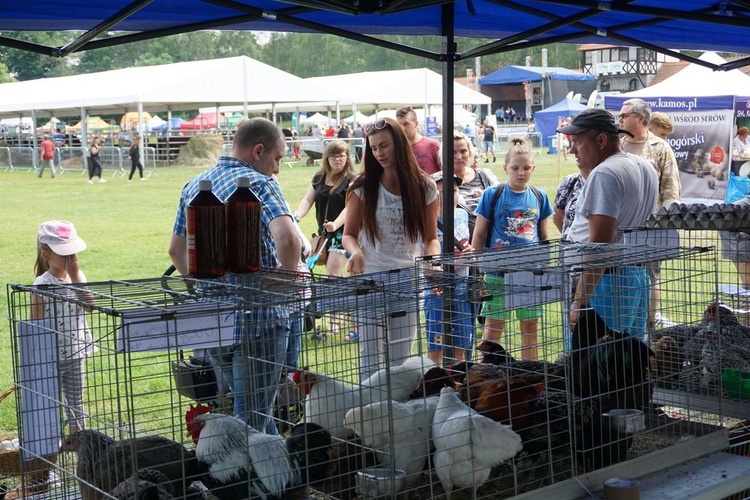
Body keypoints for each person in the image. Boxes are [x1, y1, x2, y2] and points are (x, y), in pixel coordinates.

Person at [168, 117, 300, 433]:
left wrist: (203, 286)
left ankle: (281, 481)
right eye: (278, 158)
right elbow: (288, 238)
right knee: (251, 419)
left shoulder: (196, 185)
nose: (277, 168)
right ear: (258, 151)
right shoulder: (260, 184)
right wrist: (289, 276)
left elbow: (176, 250)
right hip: (260, 320)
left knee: (255, 411)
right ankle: (246, 482)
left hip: (215, 323)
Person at [342, 117, 440, 380]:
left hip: (408, 280)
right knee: (370, 363)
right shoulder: (362, 187)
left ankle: (395, 416)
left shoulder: (425, 186)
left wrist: (431, 260)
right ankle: (369, 416)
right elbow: (348, 235)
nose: (379, 154)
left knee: (400, 364)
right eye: (373, 148)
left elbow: (431, 237)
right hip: (371, 280)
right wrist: (356, 252)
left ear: (399, 144)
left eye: (384, 146)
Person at [560, 108, 658, 339]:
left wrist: (580, 302)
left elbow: (599, 247)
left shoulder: (605, 173)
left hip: (605, 284)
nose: (572, 149)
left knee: (593, 363)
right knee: (629, 361)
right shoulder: (645, 166)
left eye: (577, 142)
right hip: (635, 276)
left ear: (601, 140)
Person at [471, 137, 552, 360]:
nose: (521, 173)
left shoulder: (539, 196)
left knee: (530, 328)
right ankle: (486, 369)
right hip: (497, 273)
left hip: (529, 274)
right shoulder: (492, 194)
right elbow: (479, 233)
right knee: (494, 326)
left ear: (533, 168)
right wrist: (477, 265)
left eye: (526, 168)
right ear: (505, 168)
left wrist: (545, 263)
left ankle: (530, 372)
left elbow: (544, 235)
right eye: (515, 168)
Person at [619, 98, 681, 329]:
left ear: (641, 118)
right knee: (621, 277)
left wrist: (662, 226)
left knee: (649, 277)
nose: (620, 119)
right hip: (617, 227)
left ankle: (648, 325)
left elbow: (670, 189)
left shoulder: (660, 147)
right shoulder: (617, 144)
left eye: (625, 115)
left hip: (649, 227)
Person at [31, 221, 95, 434]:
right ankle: (50, 453)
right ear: (46, 255)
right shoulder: (42, 284)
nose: (71, 258)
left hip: (76, 353)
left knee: (76, 403)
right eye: (64, 253)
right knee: (50, 405)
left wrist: (76, 275)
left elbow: (90, 307)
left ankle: (80, 448)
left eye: (73, 252)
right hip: (52, 357)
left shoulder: (78, 277)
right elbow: (36, 324)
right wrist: (39, 358)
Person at [294, 140, 356, 337]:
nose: (338, 159)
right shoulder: (319, 177)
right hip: (324, 234)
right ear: (326, 158)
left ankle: (338, 323)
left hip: (344, 233)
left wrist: (336, 224)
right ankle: (345, 318)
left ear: (347, 158)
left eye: (341, 155)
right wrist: (296, 217)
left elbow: (351, 207)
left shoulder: (352, 180)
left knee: (333, 274)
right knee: (335, 278)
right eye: (334, 156)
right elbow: (307, 199)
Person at [425, 171, 474, 365]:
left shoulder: (462, 215)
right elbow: (425, 261)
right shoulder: (426, 221)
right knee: (435, 345)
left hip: (462, 290)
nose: (448, 196)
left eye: (453, 190)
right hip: (436, 294)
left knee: (461, 343)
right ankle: (434, 380)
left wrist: (469, 254)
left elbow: (468, 247)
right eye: (441, 192)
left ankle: (458, 381)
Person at [452, 130, 499, 241]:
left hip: (489, 241)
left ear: (470, 153)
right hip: (459, 247)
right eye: (453, 152)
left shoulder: (485, 175)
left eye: (463, 151)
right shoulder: (439, 181)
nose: (459, 156)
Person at [396, 105, 441, 175]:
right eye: (399, 125)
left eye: (406, 124)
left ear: (416, 124)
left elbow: (445, 173)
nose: (402, 128)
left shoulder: (433, 145)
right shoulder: (397, 149)